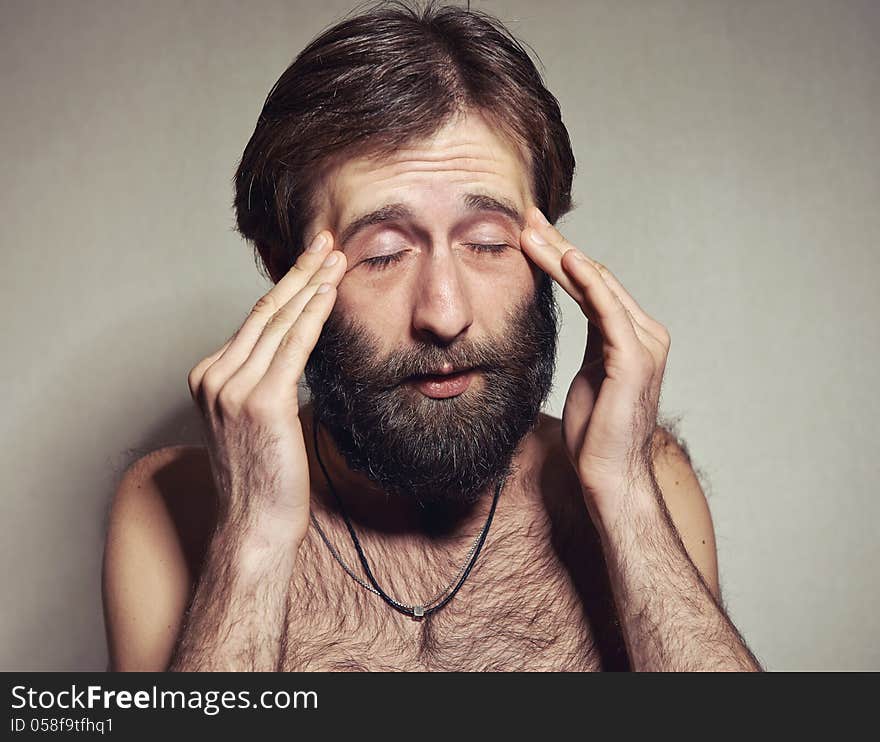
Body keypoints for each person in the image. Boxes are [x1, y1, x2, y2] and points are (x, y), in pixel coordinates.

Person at [102, 1, 762, 672]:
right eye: (384, 254)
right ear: (282, 268)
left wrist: (627, 502)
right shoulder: (173, 504)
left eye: (487, 243)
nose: (444, 313)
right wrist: (254, 539)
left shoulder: (645, 481)